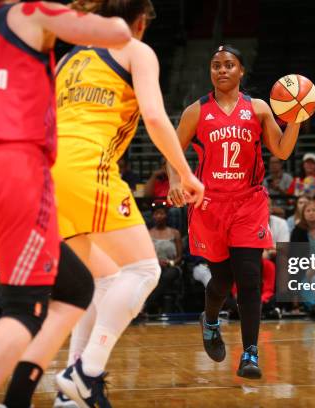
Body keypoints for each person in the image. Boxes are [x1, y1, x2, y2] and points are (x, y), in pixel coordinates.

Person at [0, 1, 132, 406]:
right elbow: (119, 34)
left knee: (75, 287)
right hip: (15, 173)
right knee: (24, 310)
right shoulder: (31, 13)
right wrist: (79, 9)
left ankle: (17, 398)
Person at [50, 1, 204, 406]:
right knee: (143, 269)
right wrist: (184, 173)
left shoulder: (66, 61)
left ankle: (70, 394)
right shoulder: (135, 49)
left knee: (100, 279)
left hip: (45, 173)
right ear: (141, 21)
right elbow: (155, 116)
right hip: (87, 166)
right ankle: (87, 371)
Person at [167, 45, 303, 379]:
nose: (222, 70)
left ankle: (251, 354)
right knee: (223, 280)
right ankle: (210, 319)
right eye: (216, 66)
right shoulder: (195, 112)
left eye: (229, 65)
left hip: (249, 203)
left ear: (241, 71)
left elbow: (282, 151)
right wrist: (174, 180)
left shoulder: (257, 109)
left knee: (250, 278)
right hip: (210, 205)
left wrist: (297, 118)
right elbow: (172, 150)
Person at [147, 203, 183, 313]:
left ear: (166, 215)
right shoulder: (148, 233)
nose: (159, 216)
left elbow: (179, 257)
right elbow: (147, 255)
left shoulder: (175, 233)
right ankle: (151, 305)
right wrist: (157, 262)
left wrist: (170, 263)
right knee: (155, 274)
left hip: (172, 266)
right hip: (154, 266)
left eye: (161, 213)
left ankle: (147, 304)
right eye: (156, 214)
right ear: (153, 216)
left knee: (169, 274)